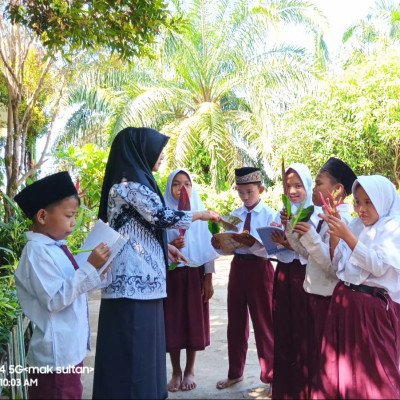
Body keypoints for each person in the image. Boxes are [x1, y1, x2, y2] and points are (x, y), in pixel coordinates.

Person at [92, 127, 220, 400]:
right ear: (140, 151)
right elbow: (160, 216)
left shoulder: (136, 182)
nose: (161, 157)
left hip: (145, 281)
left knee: (145, 349)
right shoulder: (128, 184)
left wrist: (167, 248)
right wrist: (202, 214)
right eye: (157, 151)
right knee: (133, 349)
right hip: (131, 284)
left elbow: (139, 229)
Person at [13, 171, 111, 400]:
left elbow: (73, 287)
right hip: (55, 359)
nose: (74, 222)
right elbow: (55, 299)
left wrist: (98, 271)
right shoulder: (36, 253)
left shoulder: (55, 247)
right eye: (69, 215)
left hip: (68, 350)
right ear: (42, 216)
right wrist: (89, 268)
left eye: (75, 216)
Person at [316, 175, 400, 399]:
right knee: (341, 370)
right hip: (343, 302)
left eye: (368, 202)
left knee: (376, 375)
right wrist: (336, 237)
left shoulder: (393, 229)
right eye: (357, 202)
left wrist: (347, 236)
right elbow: (338, 266)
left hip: (372, 310)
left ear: (382, 201)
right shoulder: (354, 225)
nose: (361, 209)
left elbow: (378, 266)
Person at [285, 157, 357, 397]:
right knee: (315, 354)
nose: (313, 189)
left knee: (328, 360)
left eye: (318, 183)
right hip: (315, 294)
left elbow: (332, 267)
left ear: (337, 190)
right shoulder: (325, 217)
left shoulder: (342, 221)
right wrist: (292, 230)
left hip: (329, 298)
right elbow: (308, 254)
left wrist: (311, 237)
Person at [211, 167, 277, 391]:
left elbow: (273, 250)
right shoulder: (235, 216)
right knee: (236, 322)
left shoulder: (270, 215)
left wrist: (254, 245)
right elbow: (228, 249)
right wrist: (220, 245)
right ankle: (235, 373)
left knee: (264, 322)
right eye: (241, 192)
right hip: (238, 268)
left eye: (250, 192)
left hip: (261, 270)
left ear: (261, 189)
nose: (245, 197)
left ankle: (271, 377)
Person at [163, 168, 220, 392]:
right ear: (169, 187)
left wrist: (208, 279)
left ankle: (190, 370)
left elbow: (208, 248)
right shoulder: (163, 212)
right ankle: (176, 370)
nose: (182, 189)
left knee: (193, 323)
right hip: (172, 275)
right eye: (176, 184)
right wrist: (170, 247)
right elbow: (158, 244)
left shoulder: (198, 210)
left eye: (186, 183)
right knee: (173, 323)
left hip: (194, 275)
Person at [269, 163, 320, 399]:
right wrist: (276, 236)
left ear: (308, 186)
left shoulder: (316, 214)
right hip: (283, 273)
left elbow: (316, 254)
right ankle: (284, 388)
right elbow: (275, 249)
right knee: (283, 329)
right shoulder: (283, 211)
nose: (293, 190)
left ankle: (304, 388)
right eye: (289, 185)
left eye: (298, 185)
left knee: (303, 331)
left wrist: (290, 242)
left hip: (304, 277)